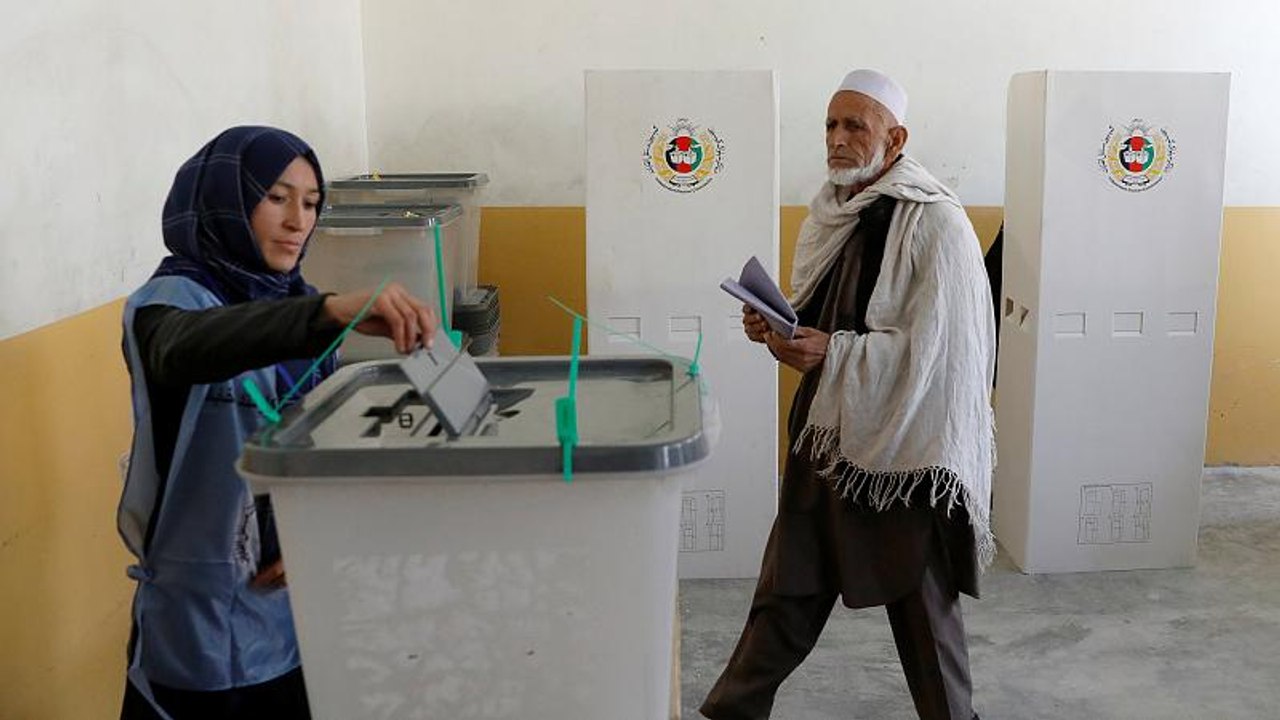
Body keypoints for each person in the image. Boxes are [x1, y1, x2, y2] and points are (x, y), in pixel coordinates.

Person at [700, 70, 995, 720]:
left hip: (901, 450)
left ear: (895, 138)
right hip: (827, 438)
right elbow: (812, 316)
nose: (836, 139)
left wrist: (831, 350)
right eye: (830, 125)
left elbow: (939, 356)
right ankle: (731, 711)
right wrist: (775, 329)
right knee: (786, 592)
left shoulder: (937, 225)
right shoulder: (828, 213)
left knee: (922, 612)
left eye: (853, 125)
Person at [117, 126, 437, 719]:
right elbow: (182, 350)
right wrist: (322, 312)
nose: (298, 221)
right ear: (223, 200)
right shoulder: (170, 304)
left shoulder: (295, 301)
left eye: (312, 203)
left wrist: (314, 523)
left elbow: (311, 440)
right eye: (275, 196)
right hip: (200, 627)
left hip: (291, 614)